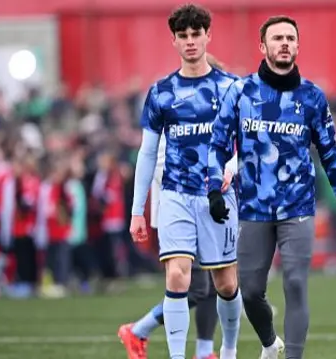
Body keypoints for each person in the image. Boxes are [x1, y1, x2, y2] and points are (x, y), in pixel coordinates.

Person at [206, 15, 336, 359]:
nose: (284, 43)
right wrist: (214, 189)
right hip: (254, 209)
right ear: (264, 46)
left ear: (298, 46)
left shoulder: (313, 97)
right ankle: (271, 344)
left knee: (295, 284)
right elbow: (217, 144)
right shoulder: (240, 91)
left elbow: (331, 153)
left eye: (290, 37)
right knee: (251, 292)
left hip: (298, 208)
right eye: (277, 38)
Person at [127, 5, 242, 359]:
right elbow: (147, 154)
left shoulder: (232, 88)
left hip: (218, 197)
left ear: (208, 35)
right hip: (175, 194)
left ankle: (229, 350)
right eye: (184, 35)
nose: (190, 41)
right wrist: (137, 211)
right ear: (174, 40)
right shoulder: (161, 92)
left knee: (226, 284)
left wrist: (232, 170)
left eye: (196, 34)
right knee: (178, 277)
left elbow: (248, 143)